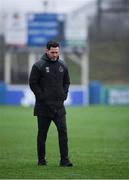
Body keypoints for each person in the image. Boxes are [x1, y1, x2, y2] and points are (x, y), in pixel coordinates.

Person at [29, 41, 73, 167]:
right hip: (43, 107)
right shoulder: (38, 65)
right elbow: (33, 83)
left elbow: (67, 82)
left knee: (63, 132)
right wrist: (42, 97)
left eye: (57, 52)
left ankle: (64, 160)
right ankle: (41, 160)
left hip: (59, 107)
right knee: (42, 133)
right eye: (52, 52)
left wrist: (64, 94)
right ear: (46, 50)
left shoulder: (63, 65)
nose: (54, 55)